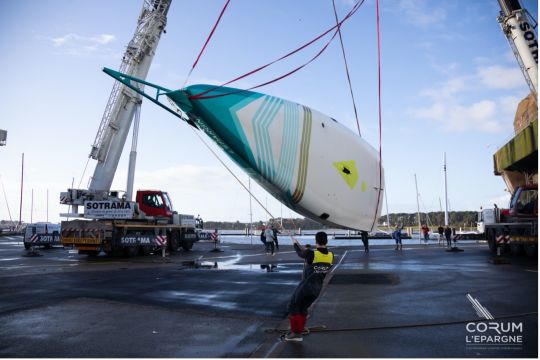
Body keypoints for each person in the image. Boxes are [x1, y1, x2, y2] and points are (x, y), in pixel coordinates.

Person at [285, 232, 333, 342]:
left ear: (316, 241)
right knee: (303, 308)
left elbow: (300, 254)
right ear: (326, 241)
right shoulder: (330, 255)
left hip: (306, 286)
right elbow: (311, 256)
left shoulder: (311, 253)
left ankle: (296, 333)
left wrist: (295, 244)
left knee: (293, 306)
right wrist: (306, 251)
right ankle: (299, 330)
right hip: (317, 287)